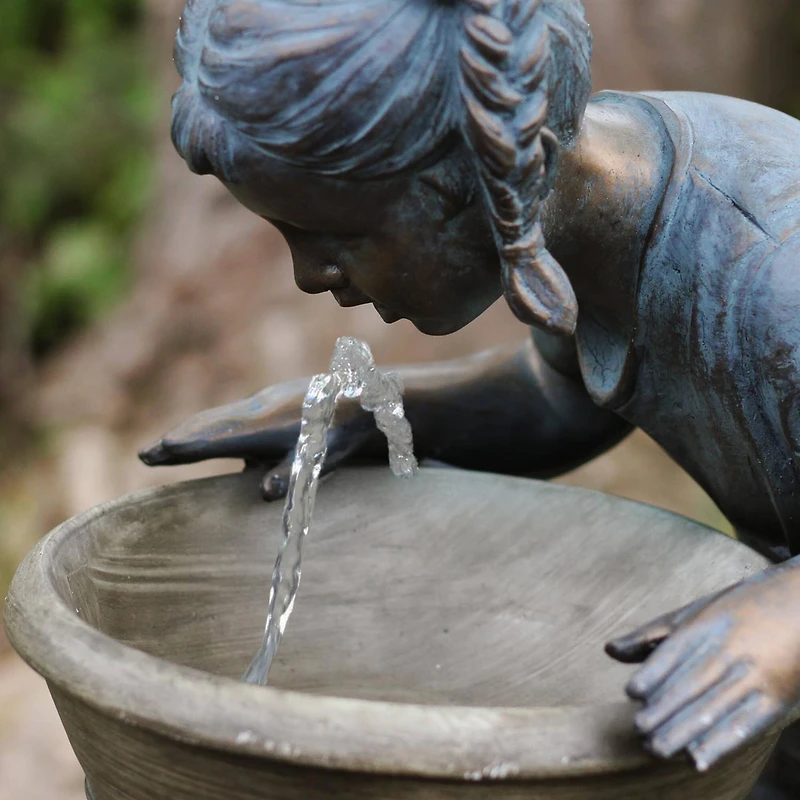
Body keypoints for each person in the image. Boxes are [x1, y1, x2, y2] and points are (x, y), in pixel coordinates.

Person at [140, 0, 800, 792]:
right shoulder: (599, 206)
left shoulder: (774, 273)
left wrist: (786, 624)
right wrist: (373, 413)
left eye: (341, 236)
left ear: (482, 180)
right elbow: (561, 397)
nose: (309, 276)